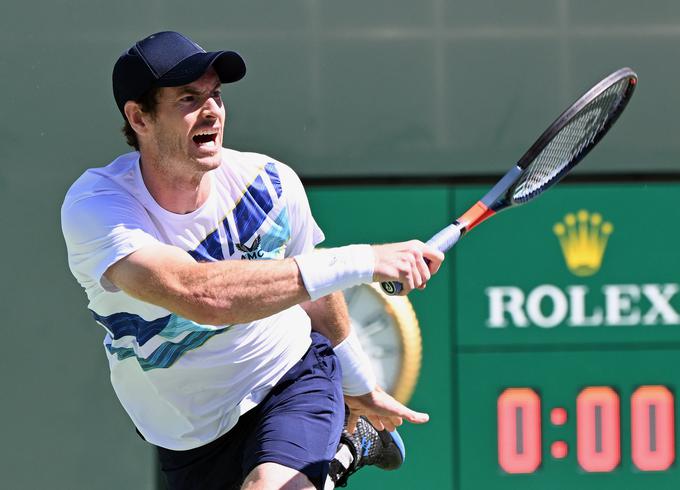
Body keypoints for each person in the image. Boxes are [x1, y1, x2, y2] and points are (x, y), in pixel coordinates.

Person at [61, 31, 444, 490]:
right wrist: (366, 259)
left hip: (289, 373)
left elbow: (316, 294)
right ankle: (345, 454)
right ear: (139, 117)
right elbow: (200, 295)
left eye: (215, 95)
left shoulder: (269, 184)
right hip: (187, 434)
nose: (212, 111)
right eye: (188, 98)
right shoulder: (98, 208)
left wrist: (359, 384)